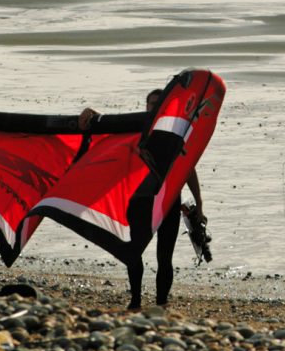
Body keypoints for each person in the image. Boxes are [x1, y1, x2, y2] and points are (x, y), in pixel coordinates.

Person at [79, 88, 206, 310]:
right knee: (133, 252)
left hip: (168, 202)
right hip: (139, 202)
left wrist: (199, 204)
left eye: (159, 103)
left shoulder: (175, 134)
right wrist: (91, 114)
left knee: (164, 257)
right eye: (151, 103)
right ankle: (135, 301)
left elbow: (188, 169)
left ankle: (161, 304)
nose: (154, 107)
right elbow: (111, 131)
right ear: (146, 106)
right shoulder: (136, 129)